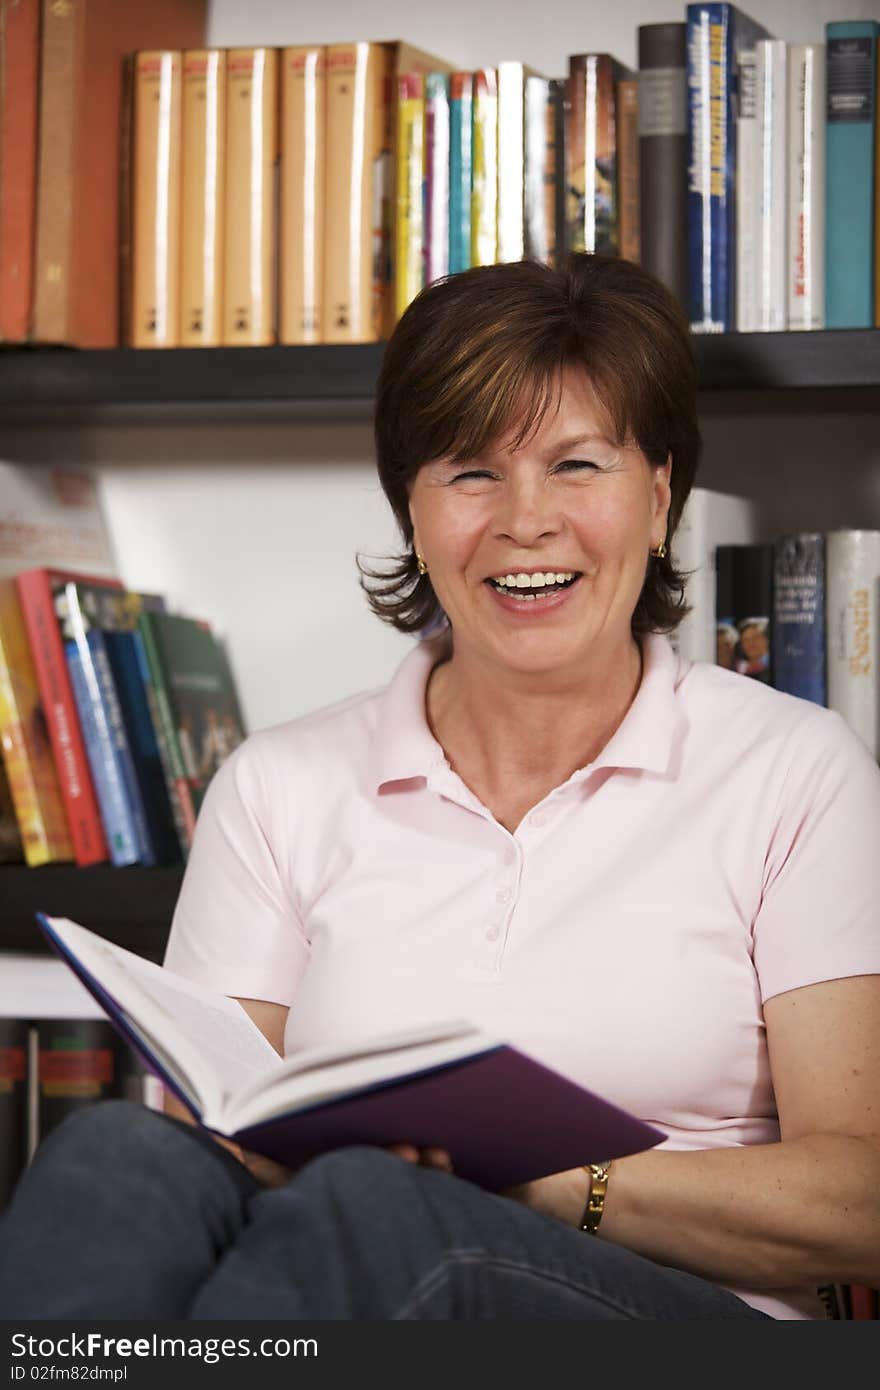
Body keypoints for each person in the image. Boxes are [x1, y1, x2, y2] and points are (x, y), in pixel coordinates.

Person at [1, 254, 879, 1321]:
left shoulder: (795, 770)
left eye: (576, 466)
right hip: (358, 1275)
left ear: (658, 500)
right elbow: (218, 1149)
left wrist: (544, 1179)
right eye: (470, 472)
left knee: (374, 1209)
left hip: (690, 1324)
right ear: (411, 514)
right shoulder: (279, 784)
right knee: (117, 1156)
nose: (525, 520)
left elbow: (858, 1197)